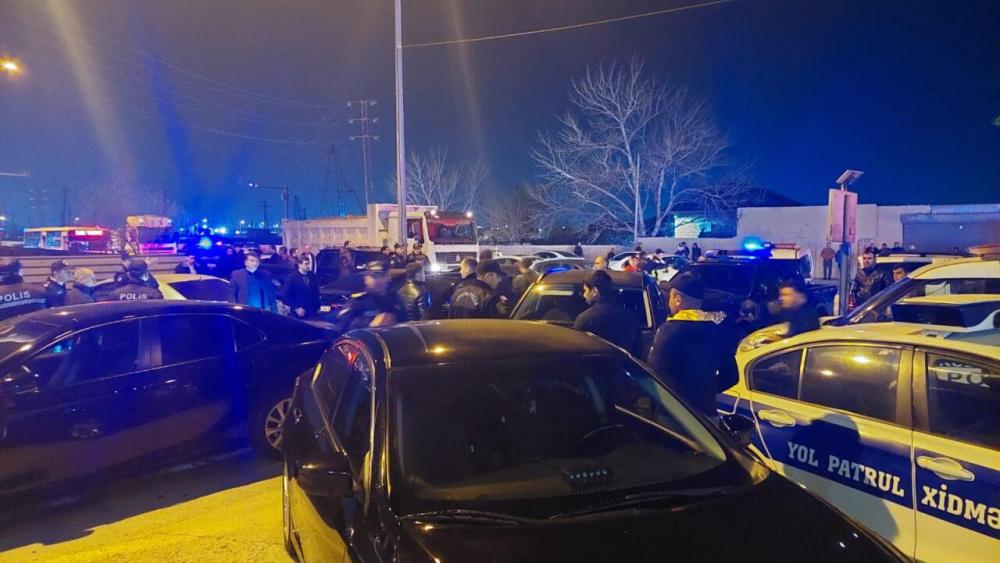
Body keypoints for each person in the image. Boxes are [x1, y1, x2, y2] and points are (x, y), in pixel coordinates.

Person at [646, 273, 739, 418]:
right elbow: (732, 376)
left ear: (677, 299)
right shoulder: (719, 331)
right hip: (706, 415)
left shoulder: (668, 331)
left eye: (670, 297)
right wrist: (705, 391)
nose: (668, 302)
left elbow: (653, 374)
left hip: (674, 417)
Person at [573, 270, 640, 353]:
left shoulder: (584, 319)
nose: (584, 295)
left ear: (594, 291)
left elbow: (578, 351)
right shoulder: (630, 317)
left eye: (585, 290)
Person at [335, 261, 408, 330]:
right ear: (366, 279)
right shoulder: (358, 301)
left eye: (382, 276)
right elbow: (342, 328)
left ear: (388, 277)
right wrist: (368, 326)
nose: (378, 281)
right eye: (373, 276)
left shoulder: (395, 299)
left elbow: (404, 325)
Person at [280, 255, 320, 319]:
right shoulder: (292, 278)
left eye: (309, 263)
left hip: (311, 310)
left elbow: (316, 292)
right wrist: (296, 308)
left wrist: (318, 307)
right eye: (306, 264)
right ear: (300, 265)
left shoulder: (312, 276)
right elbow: (286, 294)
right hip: (298, 310)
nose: (308, 266)